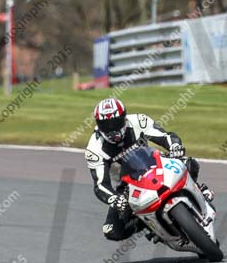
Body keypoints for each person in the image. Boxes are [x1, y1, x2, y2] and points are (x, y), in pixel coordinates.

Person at [85, 97, 210, 241]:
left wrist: (174, 146)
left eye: (116, 122)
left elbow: (165, 136)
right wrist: (115, 199)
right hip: (126, 187)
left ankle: (199, 190)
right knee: (112, 231)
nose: (112, 129)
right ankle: (148, 224)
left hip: (154, 165)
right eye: (106, 125)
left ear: (124, 118)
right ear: (98, 125)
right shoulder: (94, 149)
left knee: (189, 163)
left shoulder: (139, 121)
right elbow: (100, 184)